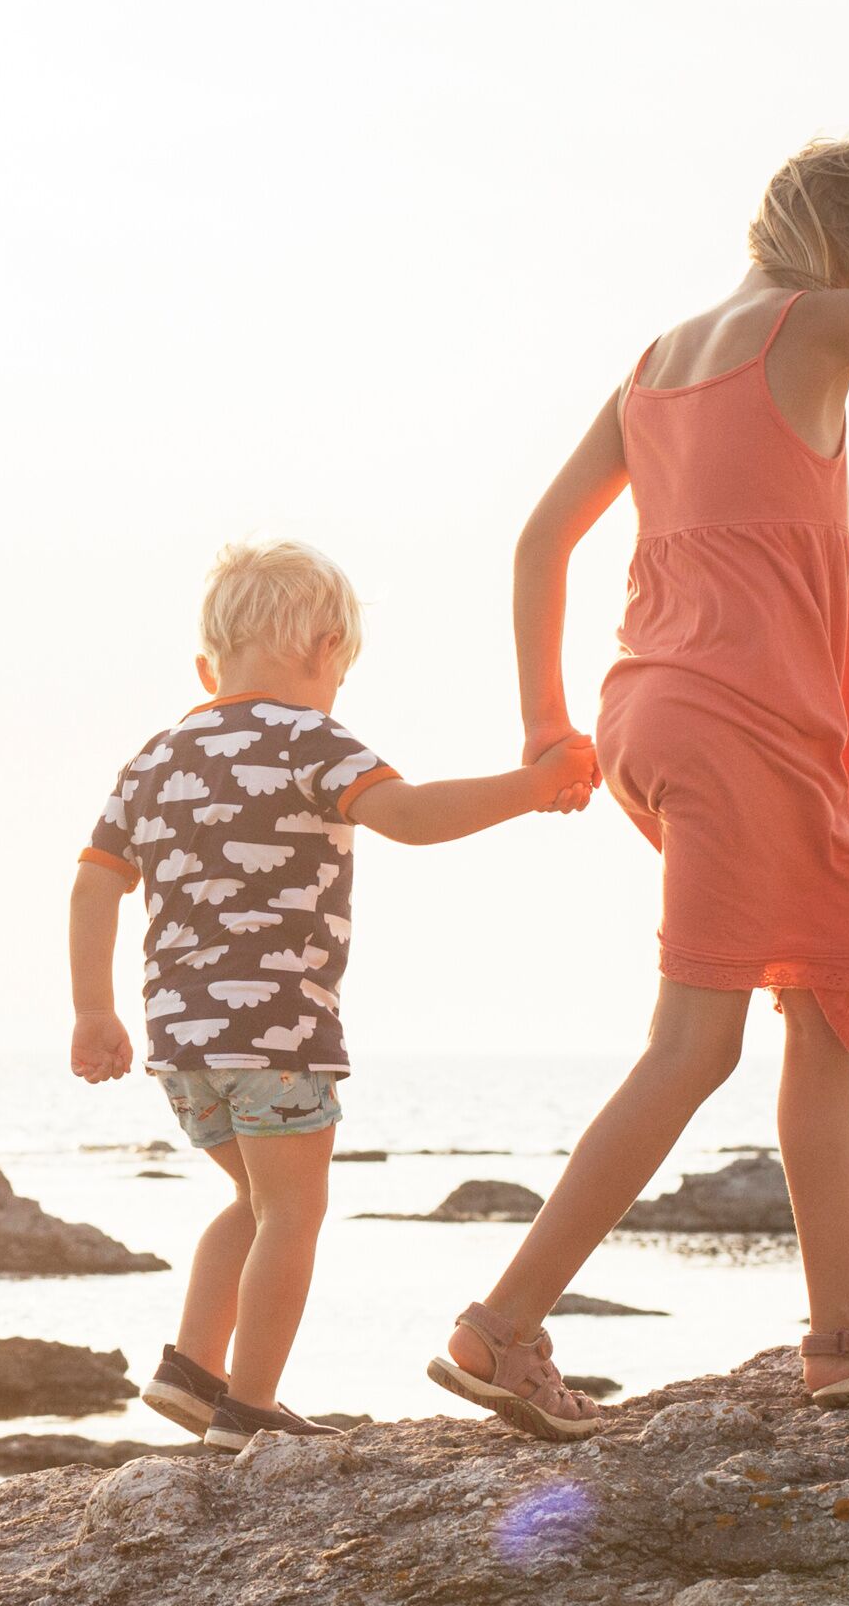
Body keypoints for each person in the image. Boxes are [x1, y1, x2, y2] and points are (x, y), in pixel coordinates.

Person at [430, 130, 849, 1437]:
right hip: (742, 725)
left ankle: (846, 1330)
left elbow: (542, 538)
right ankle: (500, 1332)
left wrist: (552, 727)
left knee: (825, 996)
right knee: (694, 1044)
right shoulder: (811, 324)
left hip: (652, 711)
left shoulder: (659, 362)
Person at [71, 539, 590, 1450]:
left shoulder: (154, 758)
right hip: (276, 1032)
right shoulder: (311, 739)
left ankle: (193, 1371)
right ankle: (252, 1410)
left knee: (251, 1203)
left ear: (208, 663)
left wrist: (93, 1010)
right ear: (322, 650)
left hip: (181, 1042)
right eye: (340, 670)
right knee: (293, 1215)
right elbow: (415, 818)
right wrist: (534, 788)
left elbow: (93, 884)